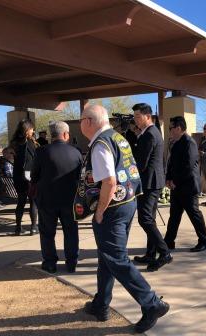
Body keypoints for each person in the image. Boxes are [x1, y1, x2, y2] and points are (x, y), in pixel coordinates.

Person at [73, 104, 169, 333]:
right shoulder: (118, 138)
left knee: (116, 258)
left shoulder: (100, 144)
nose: (79, 125)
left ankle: (151, 303)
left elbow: (109, 182)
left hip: (112, 209)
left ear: (88, 121)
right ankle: (101, 304)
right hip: (127, 203)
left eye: (80, 120)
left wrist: (99, 211)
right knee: (107, 256)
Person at [31, 121, 82, 274]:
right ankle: (72, 262)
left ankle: (50, 262)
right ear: (66, 135)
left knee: (47, 232)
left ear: (51, 135)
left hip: (47, 199)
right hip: (70, 200)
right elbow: (80, 176)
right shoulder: (76, 152)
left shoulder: (41, 152)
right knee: (71, 231)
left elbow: (34, 176)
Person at [132, 103, 172, 272]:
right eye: (134, 117)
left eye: (138, 117)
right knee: (150, 219)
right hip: (152, 181)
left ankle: (164, 253)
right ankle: (150, 253)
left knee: (145, 219)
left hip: (149, 182)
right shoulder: (150, 132)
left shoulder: (149, 134)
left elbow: (141, 162)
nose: (135, 120)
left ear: (147, 116)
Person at [164, 116, 206, 252]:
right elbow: (171, 163)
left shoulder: (189, 143)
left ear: (178, 128)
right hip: (177, 186)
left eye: (170, 128)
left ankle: (204, 241)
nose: (169, 131)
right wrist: (168, 178)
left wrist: (174, 181)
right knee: (174, 215)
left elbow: (188, 167)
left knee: (194, 214)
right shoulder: (176, 142)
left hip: (188, 187)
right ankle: (168, 242)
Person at [10, 119, 39, 236]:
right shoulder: (31, 143)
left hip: (18, 176)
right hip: (30, 176)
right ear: (27, 130)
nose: (33, 130)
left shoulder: (14, 143)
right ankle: (33, 228)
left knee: (21, 201)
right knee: (33, 202)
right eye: (32, 129)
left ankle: (18, 228)